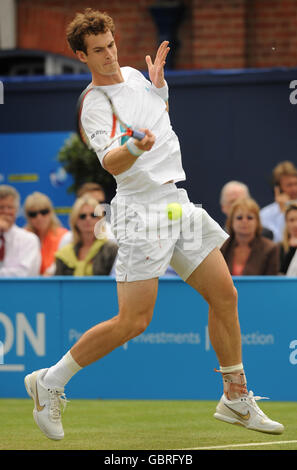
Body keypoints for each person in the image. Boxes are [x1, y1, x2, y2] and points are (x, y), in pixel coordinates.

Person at [24, 8, 284, 440]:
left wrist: (160, 88)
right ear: (80, 55)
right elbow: (111, 160)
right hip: (140, 211)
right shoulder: (93, 105)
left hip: (175, 202)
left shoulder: (133, 73)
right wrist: (133, 145)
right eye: (98, 51)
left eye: (111, 45)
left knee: (225, 295)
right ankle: (50, 381)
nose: (109, 55)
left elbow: (157, 119)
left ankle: (235, 396)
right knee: (133, 320)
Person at [55, 195, 117, 276]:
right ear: (75, 221)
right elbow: (59, 285)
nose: (88, 219)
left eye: (93, 215)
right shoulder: (64, 253)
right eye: (82, 216)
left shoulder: (111, 250)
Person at [221, 198, 279, 275]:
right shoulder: (221, 246)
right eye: (239, 218)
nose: (244, 221)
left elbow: (270, 283)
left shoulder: (270, 248)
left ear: (257, 222)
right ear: (231, 222)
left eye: (250, 218)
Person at [0, 185, 41, 277]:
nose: (6, 212)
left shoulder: (29, 240)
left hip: (19, 291)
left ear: (17, 210)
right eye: (1, 207)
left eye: (10, 207)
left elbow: (24, 274)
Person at [24, 192, 69, 276]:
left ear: (51, 212)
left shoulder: (64, 236)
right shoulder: (22, 237)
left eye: (44, 212)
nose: (39, 217)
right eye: (33, 214)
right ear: (27, 216)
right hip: (27, 284)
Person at [59, 182, 115, 249]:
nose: (98, 207)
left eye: (101, 203)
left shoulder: (112, 237)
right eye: (91, 202)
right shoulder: (67, 240)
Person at [260, 161, 297, 242]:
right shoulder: (265, 214)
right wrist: (283, 212)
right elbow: (278, 242)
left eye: (296, 184)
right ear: (278, 189)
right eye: (289, 185)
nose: (294, 189)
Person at [278, 204, 297, 275]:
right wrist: (292, 249)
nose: (295, 224)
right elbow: (280, 274)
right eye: (291, 220)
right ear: (286, 223)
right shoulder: (278, 248)